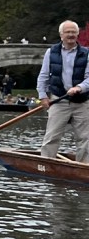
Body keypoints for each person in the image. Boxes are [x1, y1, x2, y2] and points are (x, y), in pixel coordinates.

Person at [36, 20, 89, 162]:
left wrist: (79, 88)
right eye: (68, 32)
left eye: (73, 32)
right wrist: (43, 96)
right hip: (58, 100)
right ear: (61, 35)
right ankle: (45, 164)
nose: (71, 35)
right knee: (52, 136)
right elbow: (43, 76)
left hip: (82, 102)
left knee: (85, 138)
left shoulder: (87, 53)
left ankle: (84, 167)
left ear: (77, 34)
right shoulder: (51, 52)